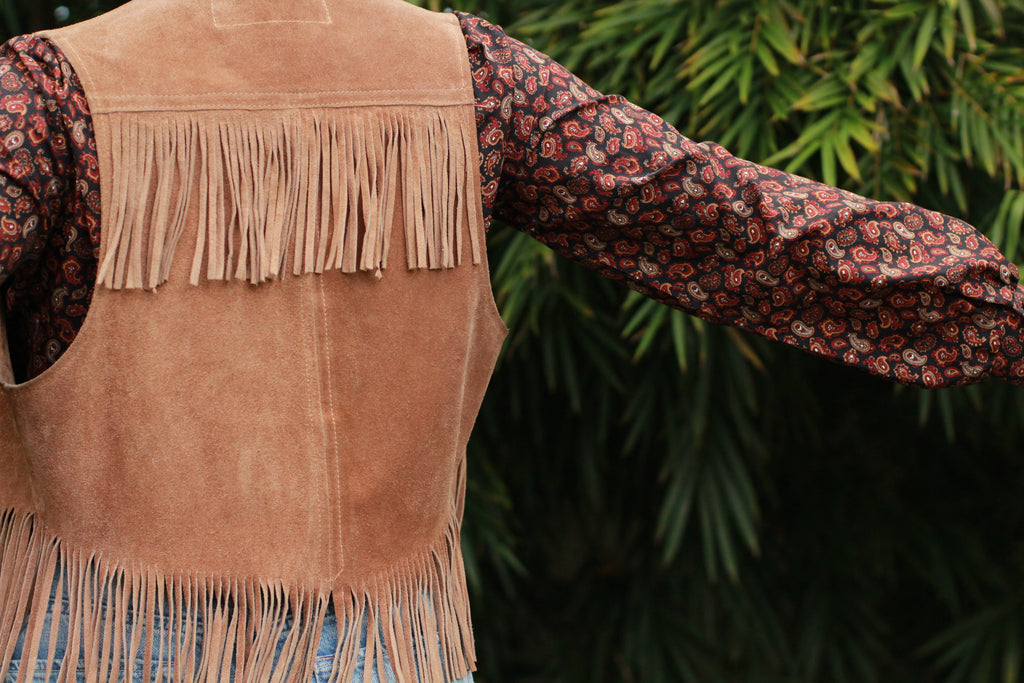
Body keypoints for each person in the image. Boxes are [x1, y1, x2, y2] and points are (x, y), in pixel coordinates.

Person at [0, 0, 1021, 682]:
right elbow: (732, 222)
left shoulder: (47, 92)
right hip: (382, 647)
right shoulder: (467, 75)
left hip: (101, 635)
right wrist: (998, 303)